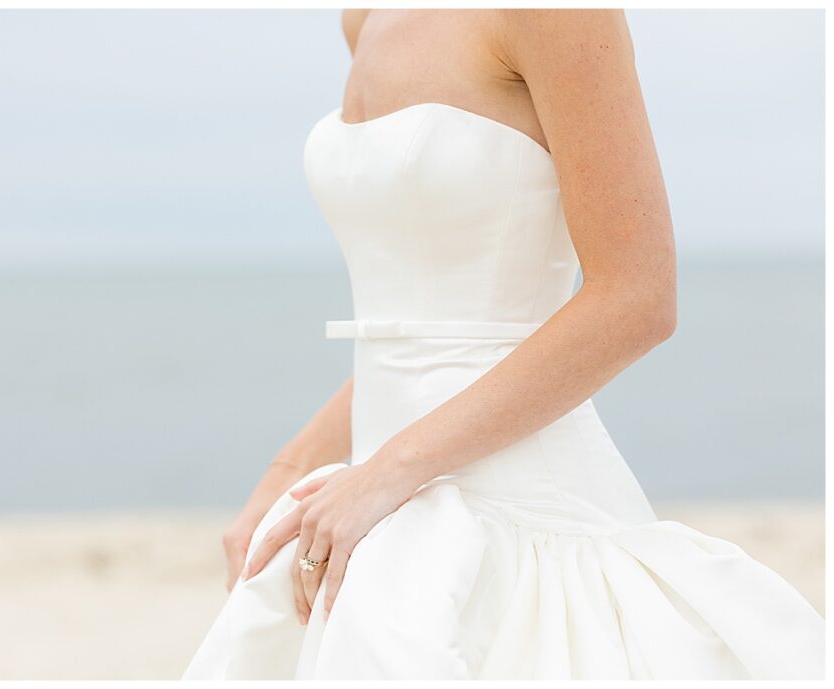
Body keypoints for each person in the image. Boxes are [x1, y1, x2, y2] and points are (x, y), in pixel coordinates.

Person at [182, 8, 825, 680]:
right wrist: (290, 472)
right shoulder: (363, 17)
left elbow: (639, 297)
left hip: (521, 512)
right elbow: (430, 327)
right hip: (366, 507)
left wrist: (391, 471)